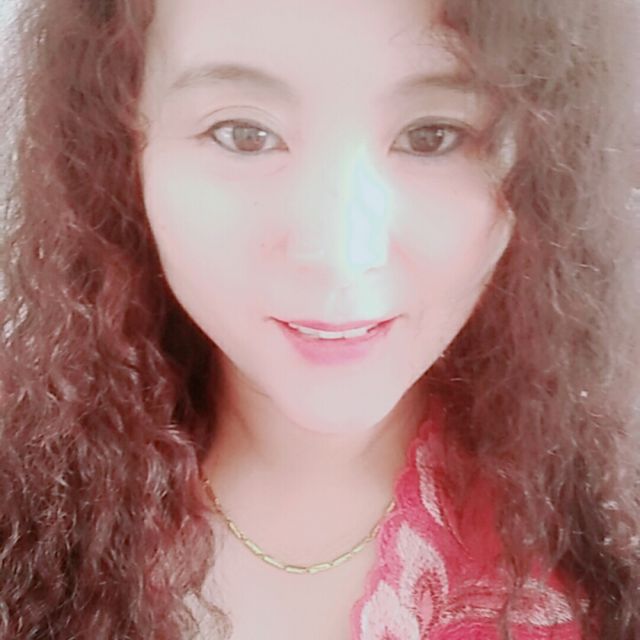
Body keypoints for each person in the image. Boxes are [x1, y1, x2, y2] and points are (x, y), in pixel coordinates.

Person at [0, 0, 639, 638]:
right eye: (243, 134)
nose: (341, 254)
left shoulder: (615, 528)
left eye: (432, 136)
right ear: (119, 153)